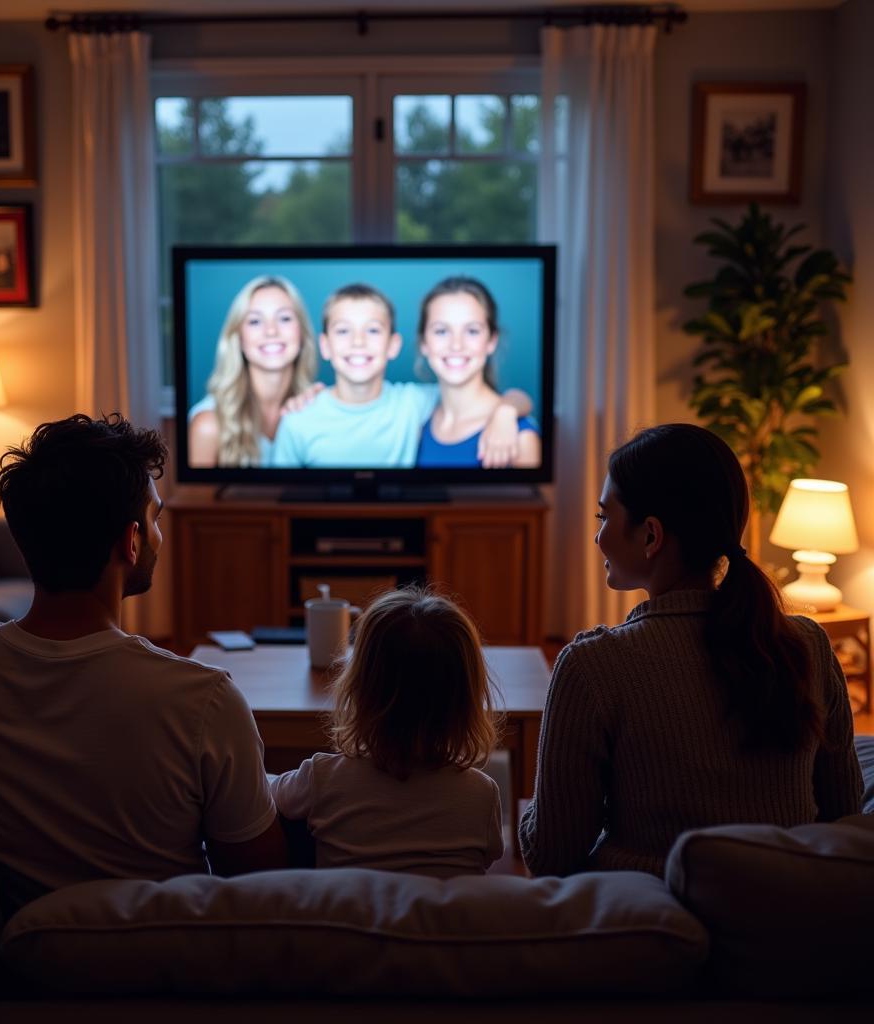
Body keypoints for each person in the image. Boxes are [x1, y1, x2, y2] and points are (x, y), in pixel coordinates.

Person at [0, 413, 286, 911]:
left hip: (7, 962)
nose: (159, 536)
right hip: (161, 962)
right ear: (132, 541)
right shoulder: (204, 700)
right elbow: (262, 882)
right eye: (155, 519)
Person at [519, 423, 863, 879]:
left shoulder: (593, 666)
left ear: (650, 536)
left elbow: (550, 856)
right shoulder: (808, 645)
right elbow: (843, 813)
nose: (598, 536)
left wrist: (526, 809)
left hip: (648, 923)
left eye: (604, 517)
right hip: (788, 919)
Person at [271, 586, 505, 877]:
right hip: (441, 922)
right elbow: (491, 855)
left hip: (348, 920)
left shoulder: (322, 777)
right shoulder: (482, 794)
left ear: (359, 689)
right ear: (466, 701)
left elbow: (267, 797)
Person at [271, 282, 528, 468]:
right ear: (324, 346)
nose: (358, 342)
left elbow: (493, 397)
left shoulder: (413, 402)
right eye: (343, 331)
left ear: (393, 345)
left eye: (372, 330)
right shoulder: (299, 418)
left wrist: (507, 411)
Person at [189, 275, 319, 467]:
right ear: (238, 338)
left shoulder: (317, 407)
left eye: (284, 318)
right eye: (255, 321)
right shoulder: (207, 425)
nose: (271, 331)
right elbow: (193, 498)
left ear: (302, 333)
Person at [416, 277, 541, 469]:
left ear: (491, 341)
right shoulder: (415, 422)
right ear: (423, 343)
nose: (456, 345)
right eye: (441, 331)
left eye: (472, 331)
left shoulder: (520, 437)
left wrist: (505, 411)